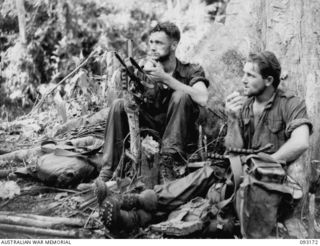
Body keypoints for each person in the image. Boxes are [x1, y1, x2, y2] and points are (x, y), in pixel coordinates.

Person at [99, 22, 209, 184]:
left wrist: (165, 78)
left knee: (181, 95)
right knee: (118, 105)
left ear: (173, 45)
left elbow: (202, 98)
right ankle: (106, 173)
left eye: (159, 43)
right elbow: (131, 103)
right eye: (151, 42)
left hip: (179, 134)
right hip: (151, 130)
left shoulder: (191, 70)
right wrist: (129, 80)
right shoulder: (143, 69)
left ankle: (168, 164)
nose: (152, 47)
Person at [225, 50, 313, 237]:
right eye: (244, 74)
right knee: (206, 177)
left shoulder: (290, 103)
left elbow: (301, 142)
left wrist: (268, 162)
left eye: (250, 75)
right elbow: (233, 149)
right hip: (246, 178)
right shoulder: (245, 105)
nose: (243, 80)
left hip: (277, 182)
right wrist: (232, 119)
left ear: (268, 81)